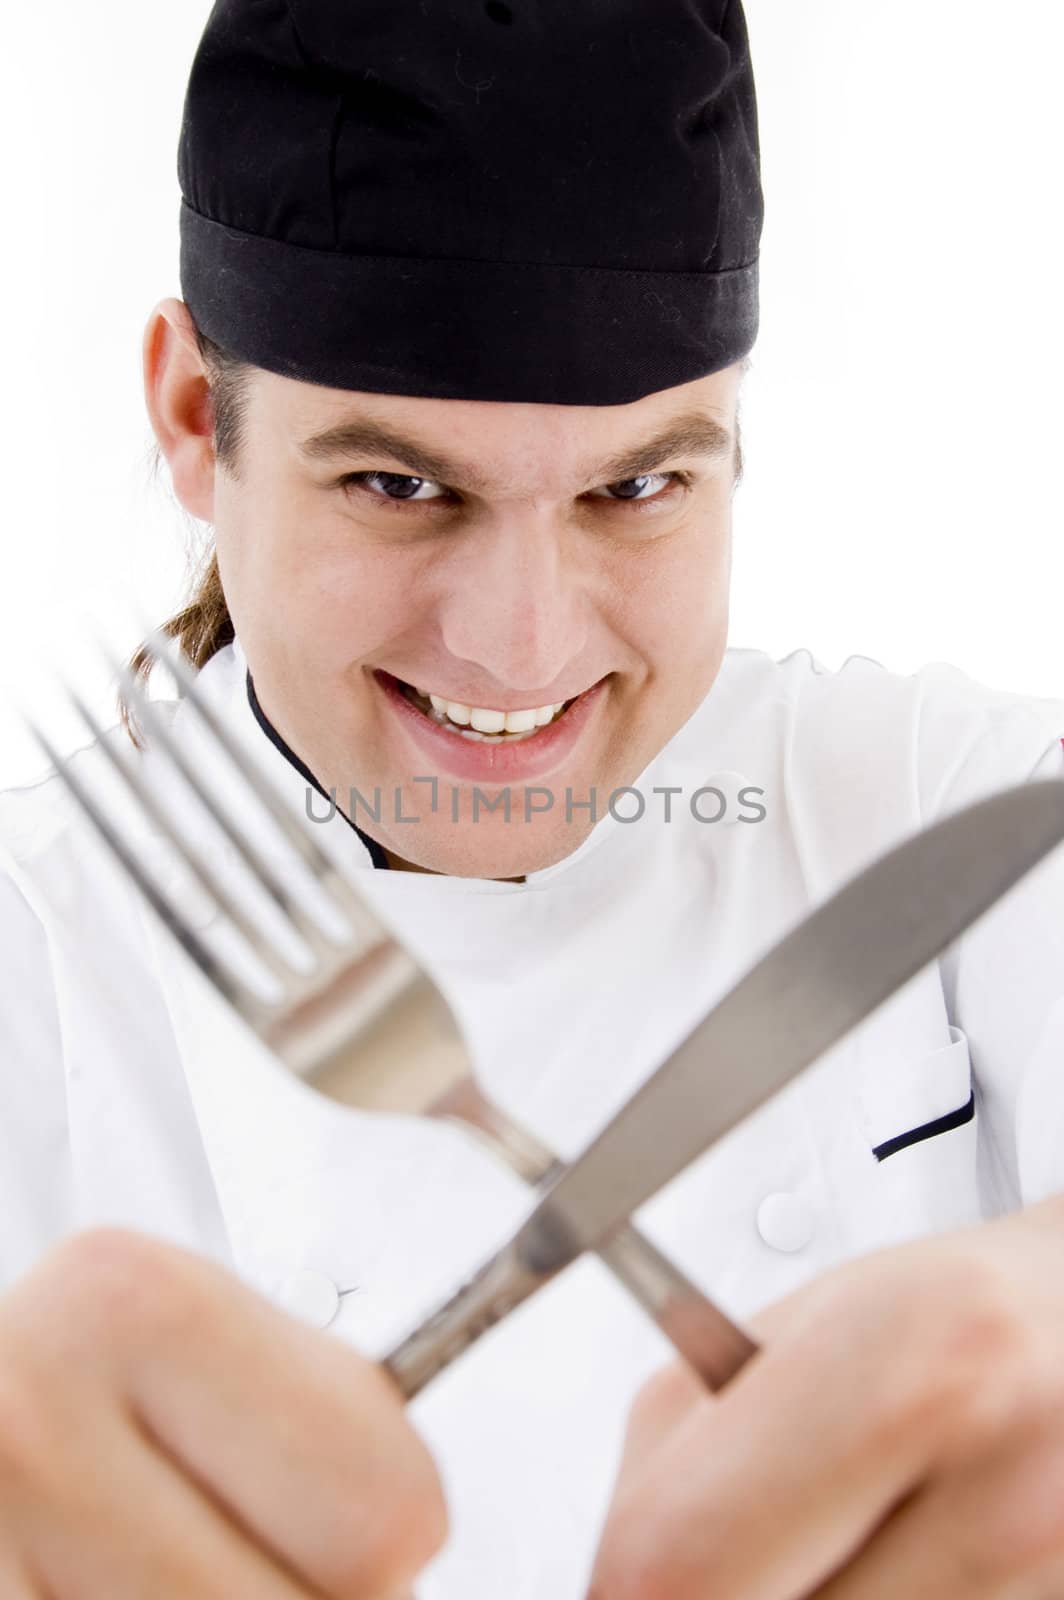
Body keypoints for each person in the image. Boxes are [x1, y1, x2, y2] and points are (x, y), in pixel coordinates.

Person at [2, 0, 1064, 1595]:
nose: (525, 644)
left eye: (635, 487)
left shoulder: (928, 803)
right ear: (187, 421)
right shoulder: (36, 928)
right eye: (398, 485)